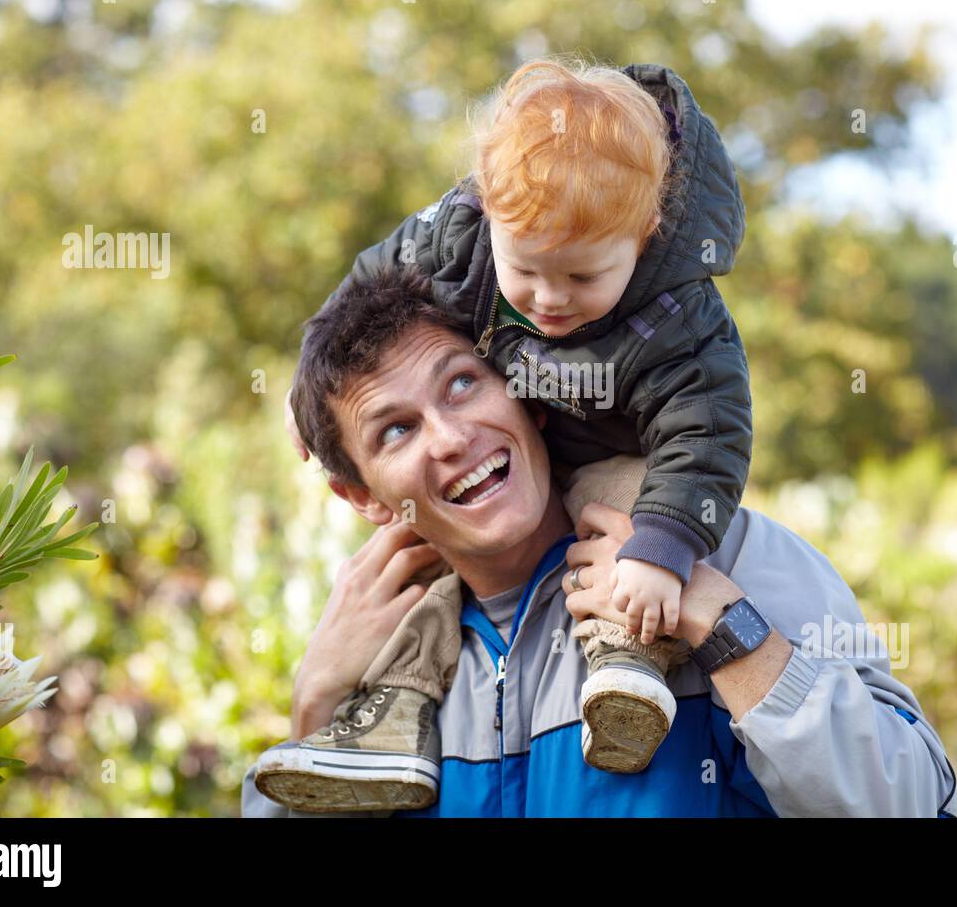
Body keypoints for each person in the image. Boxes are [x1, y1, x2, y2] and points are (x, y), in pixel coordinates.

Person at [244, 265, 957, 817]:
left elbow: (913, 800)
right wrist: (315, 708)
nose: (453, 438)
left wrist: (714, 617)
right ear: (362, 496)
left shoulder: (721, 552)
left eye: (463, 383)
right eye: (395, 430)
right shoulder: (383, 666)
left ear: (529, 393)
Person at [269, 58, 755, 801]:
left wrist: (665, 551)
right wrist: (309, 378)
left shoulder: (680, 316)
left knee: (632, 508)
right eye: (526, 270)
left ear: (645, 234)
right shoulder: (461, 237)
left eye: (585, 279)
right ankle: (381, 720)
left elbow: (707, 431)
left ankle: (626, 661)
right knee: (420, 570)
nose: (550, 301)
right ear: (488, 213)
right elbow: (373, 275)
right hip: (534, 459)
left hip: (623, 469)